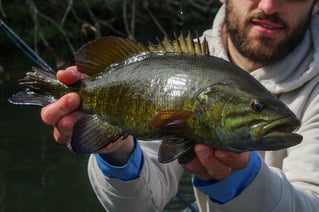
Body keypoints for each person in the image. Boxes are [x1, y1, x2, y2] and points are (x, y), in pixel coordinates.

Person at [40, 0, 319, 211]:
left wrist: (243, 180)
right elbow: (138, 206)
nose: (269, 5)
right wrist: (117, 153)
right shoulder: (174, 60)